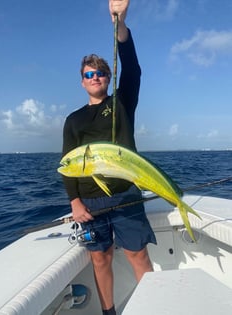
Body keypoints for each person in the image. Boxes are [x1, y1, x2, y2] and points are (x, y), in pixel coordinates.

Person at [62, 1, 156, 314]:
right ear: (82, 80)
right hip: (91, 205)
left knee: (138, 256)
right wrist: (75, 203)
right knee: (99, 260)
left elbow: (132, 68)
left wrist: (120, 24)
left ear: (107, 77)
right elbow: (67, 165)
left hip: (127, 196)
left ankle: (155, 307)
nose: (96, 76)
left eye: (101, 72)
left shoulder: (122, 103)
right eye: (89, 73)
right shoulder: (73, 119)